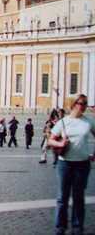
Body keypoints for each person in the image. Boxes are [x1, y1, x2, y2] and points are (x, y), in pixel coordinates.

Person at [47, 94, 94, 234]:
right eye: (82, 103)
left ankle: (77, 226)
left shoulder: (89, 122)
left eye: (86, 103)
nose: (84, 106)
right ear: (74, 104)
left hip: (82, 164)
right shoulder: (63, 122)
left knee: (79, 197)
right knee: (62, 197)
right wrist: (60, 143)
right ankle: (60, 226)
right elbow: (50, 140)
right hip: (65, 164)